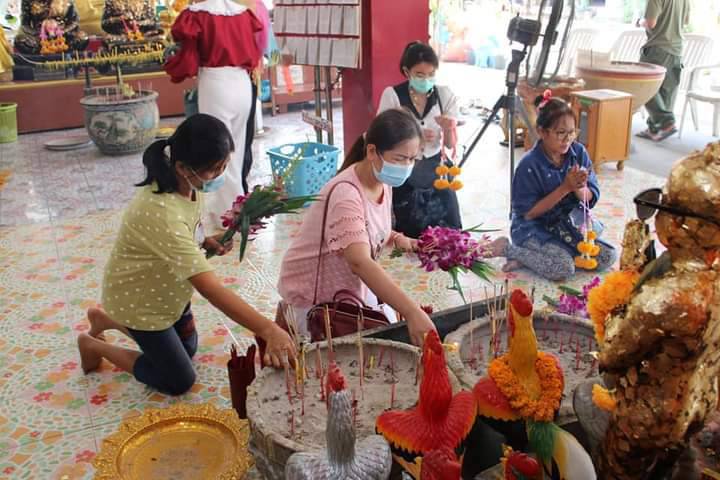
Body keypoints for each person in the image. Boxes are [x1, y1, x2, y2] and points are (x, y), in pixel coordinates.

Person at [76, 114, 296, 396]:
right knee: (178, 380)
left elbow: (188, 230)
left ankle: (105, 319)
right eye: (214, 169)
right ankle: (94, 344)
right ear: (182, 167)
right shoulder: (161, 213)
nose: (220, 175)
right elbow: (212, 290)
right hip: (141, 304)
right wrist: (268, 329)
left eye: (224, 166)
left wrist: (204, 242)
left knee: (188, 348)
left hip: (169, 294)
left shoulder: (187, 186)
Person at [277, 108, 436, 347]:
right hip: (314, 300)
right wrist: (412, 312)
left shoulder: (381, 182)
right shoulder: (346, 194)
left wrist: (399, 239)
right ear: (372, 151)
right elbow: (359, 261)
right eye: (400, 158)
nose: (407, 166)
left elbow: (366, 227)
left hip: (346, 287)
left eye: (412, 159)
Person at [486, 96, 617, 282]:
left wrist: (579, 188)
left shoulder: (578, 152)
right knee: (563, 269)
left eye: (572, 133)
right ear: (542, 132)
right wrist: (565, 188)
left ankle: (531, 258)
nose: (567, 139)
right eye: (560, 133)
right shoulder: (529, 164)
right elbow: (529, 214)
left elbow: (589, 199)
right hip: (534, 227)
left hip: (567, 225)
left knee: (608, 256)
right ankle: (507, 248)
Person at [164, 0, 263, 232]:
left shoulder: (197, 14)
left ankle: (225, 214)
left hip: (215, 82)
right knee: (235, 151)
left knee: (215, 152)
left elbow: (187, 57)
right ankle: (236, 210)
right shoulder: (243, 14)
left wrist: (173, 68)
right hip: (242, 83)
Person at [377, 41, 462, 239]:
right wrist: (415, 136)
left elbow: (449, 145)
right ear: (407, 72)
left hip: (436, 168)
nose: (426, 80)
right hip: (406, 169)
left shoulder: (444, 95)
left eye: (431, 74)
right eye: (420, 75)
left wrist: (448, 128)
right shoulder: (393, 95)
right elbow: (384, 137)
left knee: (447, 232)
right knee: (411, 233)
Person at [635, 0, 690, 142]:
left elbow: (650, 22)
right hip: (676, 51)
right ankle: (654, 128)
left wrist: (640, 21)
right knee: (665, 91)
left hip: (658, 49)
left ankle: (667, 122)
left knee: (643, 84)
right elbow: (686, 21)